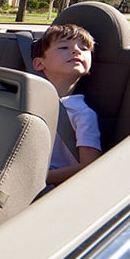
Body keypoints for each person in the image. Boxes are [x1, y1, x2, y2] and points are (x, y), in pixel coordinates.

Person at [31, 23, 101, 185]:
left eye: (84, 49)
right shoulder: (27, 100)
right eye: (63, 48)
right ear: (39, 64)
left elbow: (89, 166)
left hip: (52, 188)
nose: (77, 50)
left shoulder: (82, 113)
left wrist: (39, 180)